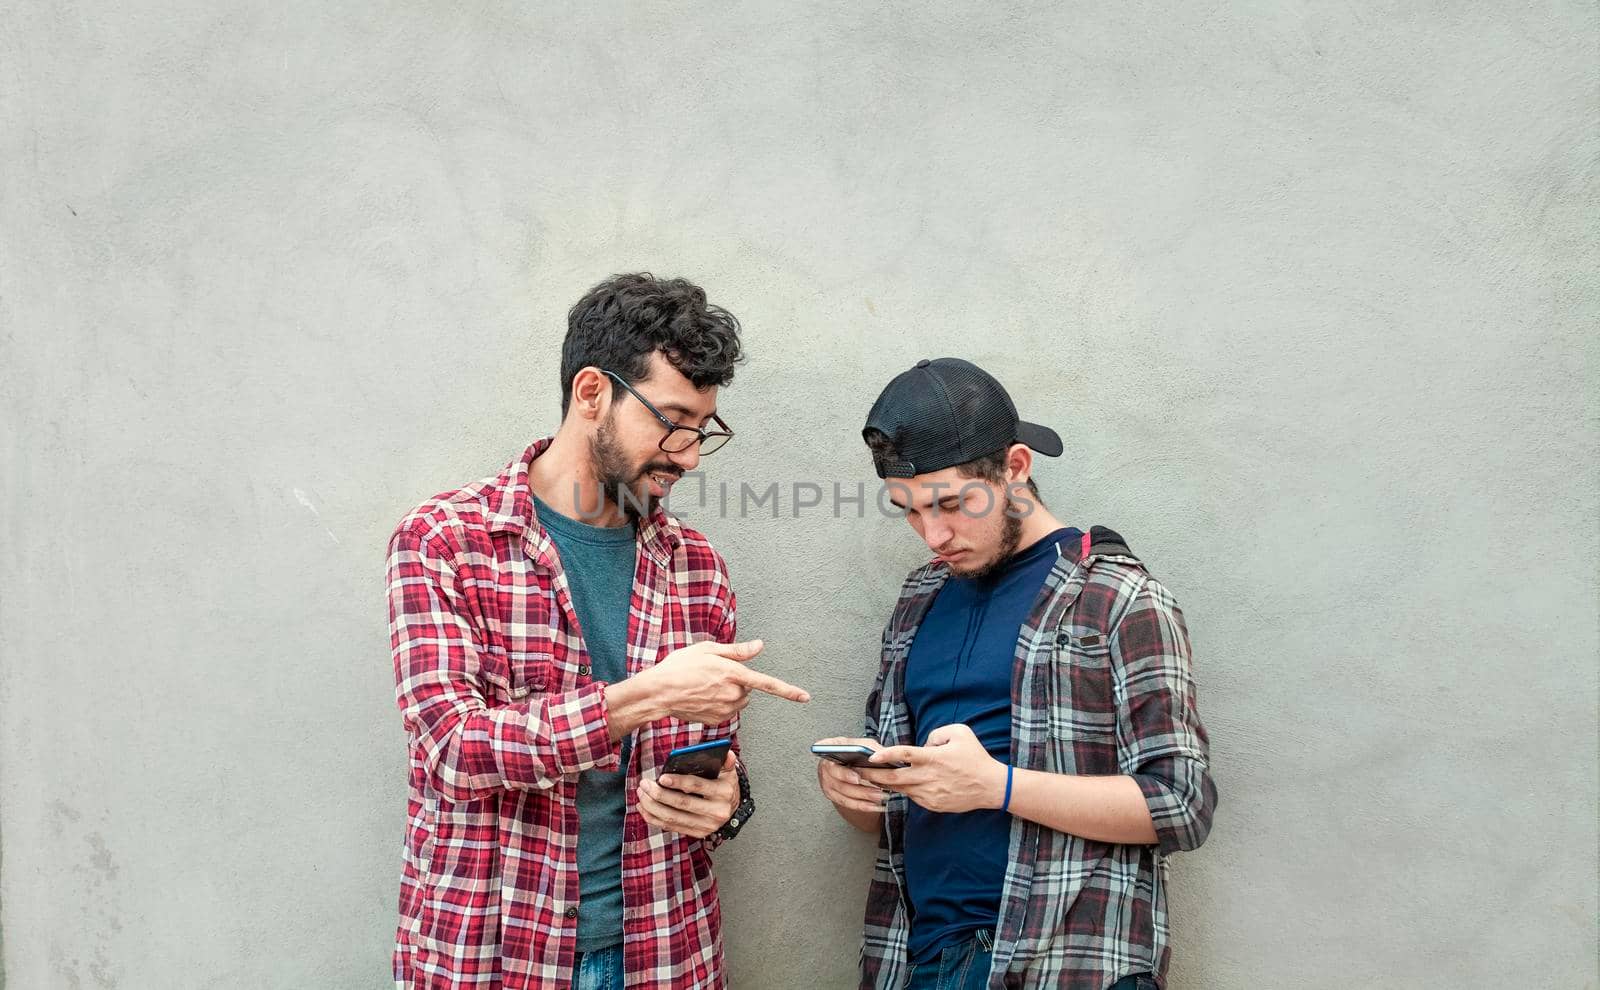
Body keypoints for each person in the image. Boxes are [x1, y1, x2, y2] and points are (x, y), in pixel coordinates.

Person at [387, 273, 809, 989]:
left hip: (667, 952)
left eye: (703, 429)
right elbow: (453, 750)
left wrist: (727, 804)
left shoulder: (697, 567)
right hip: (495, 955)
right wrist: (641, 698)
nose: (689, 455)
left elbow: (712, 761)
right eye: (672, 421)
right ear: (592, 394)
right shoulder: (444, 541)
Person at [816, 358, 1217, 990]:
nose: (932, 534)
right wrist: (858, 794)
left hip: (1069, 963)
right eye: (910, 511)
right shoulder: (918, 601)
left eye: (950, 504)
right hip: (918, 959)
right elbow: (902, 805)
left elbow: (1182, 804)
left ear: (1016, 467)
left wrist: (997, 786)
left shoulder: (1118, 597)